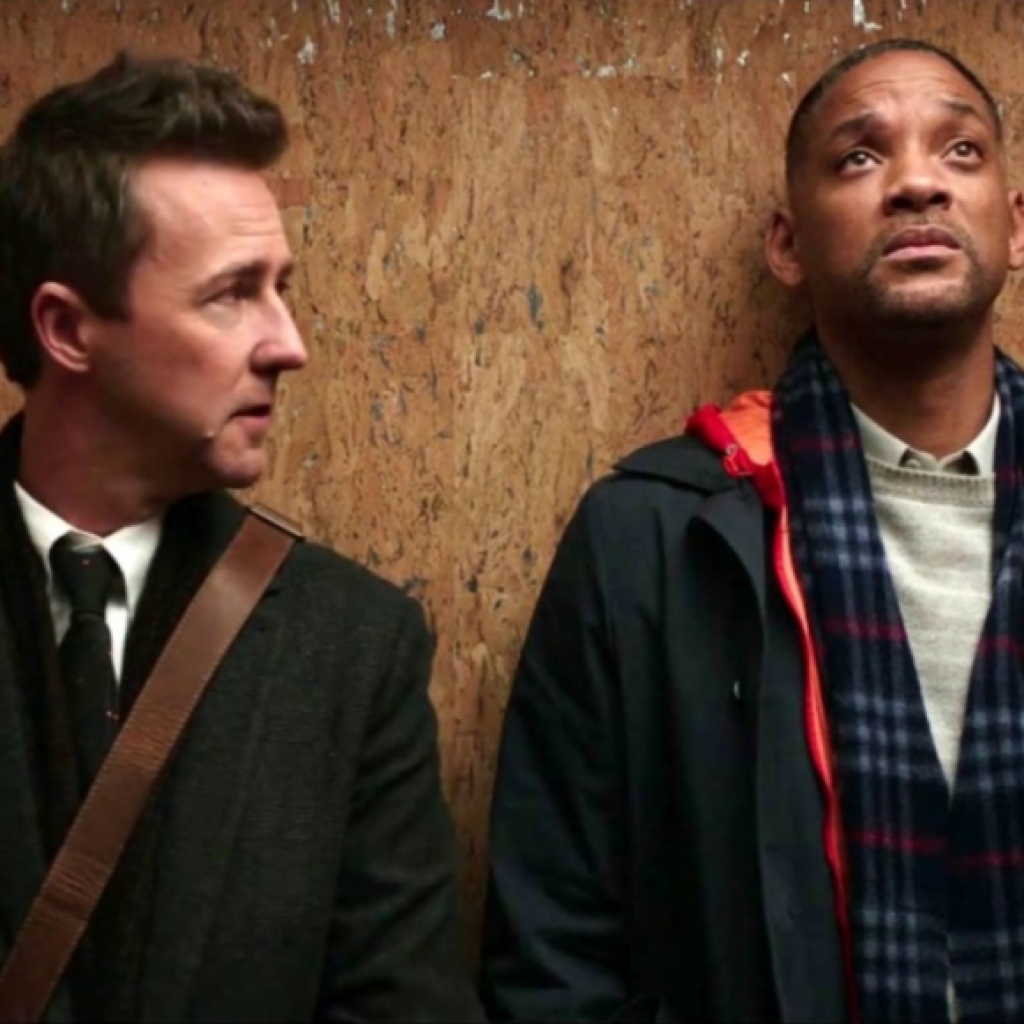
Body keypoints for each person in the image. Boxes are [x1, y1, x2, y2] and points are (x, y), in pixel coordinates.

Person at [481, 37, 1024, 1023]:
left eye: (960, 150)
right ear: (787, 246)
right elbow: (552, 947)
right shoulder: (653, 538)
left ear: (1014, 225)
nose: (917, 183)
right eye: (859, 156)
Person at [0, 52, 482, 1022]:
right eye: (231, 293)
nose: (288, 343)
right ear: (68, 329)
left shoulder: (351, 648)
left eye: (281, 287)